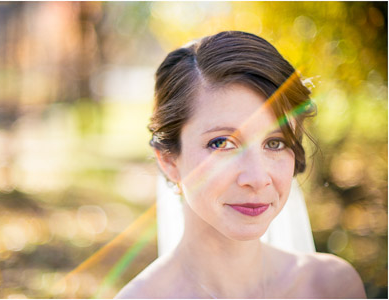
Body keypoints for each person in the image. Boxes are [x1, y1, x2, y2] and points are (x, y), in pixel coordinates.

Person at [115, 31, 365, 298]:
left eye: (275, 143)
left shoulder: (332, 285)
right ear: (168, 160)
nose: (257, 179)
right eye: (222, 143)